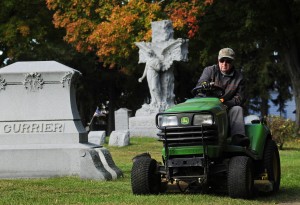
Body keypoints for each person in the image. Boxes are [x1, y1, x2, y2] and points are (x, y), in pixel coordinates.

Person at [196, 48, 250, 147]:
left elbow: (239, 98)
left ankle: (238, 137)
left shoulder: (239, 78)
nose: (224, 64)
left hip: (227, 107)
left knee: (237, 109)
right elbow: (201, 83)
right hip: (207, 104)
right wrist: (205, 85)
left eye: (228, 61)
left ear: (232, 62)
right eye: (222, 60)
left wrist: (225, 103)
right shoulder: (209, 71)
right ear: (218, 60)